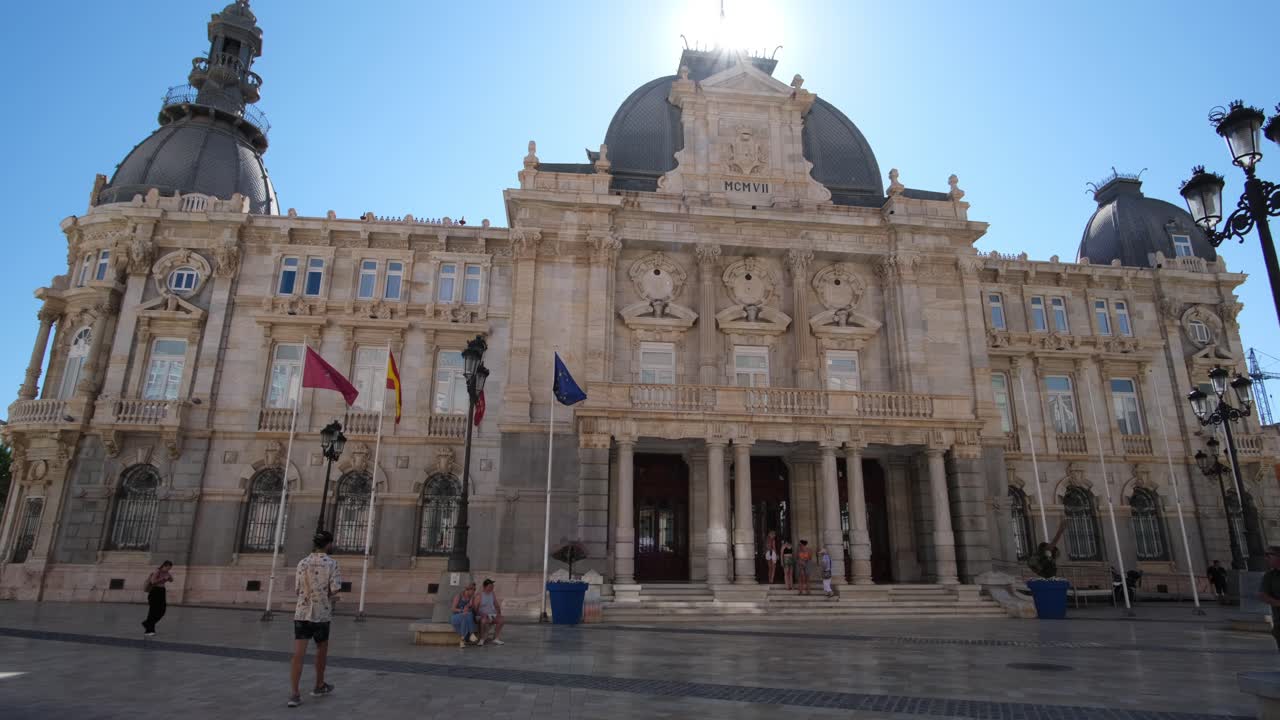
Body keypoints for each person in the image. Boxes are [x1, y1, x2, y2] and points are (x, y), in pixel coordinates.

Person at [288, 530, 341, 708]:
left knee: (298, 654)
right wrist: (332, 597)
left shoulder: (302, 563)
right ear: (328, 544)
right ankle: (319, 684)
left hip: (302, 613)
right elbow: (334, 589)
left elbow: (297, 590)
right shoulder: (332, 563)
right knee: (321, 649)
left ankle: (294, 694)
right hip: (321, 614)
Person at [141, 560, 174, 636]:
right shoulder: (157, 571)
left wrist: (169, 577)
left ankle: (147, 623)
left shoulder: (166, 572)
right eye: (168, 568)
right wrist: (162, 579)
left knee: (162, 610)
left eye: (170, 568)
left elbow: (171, 580)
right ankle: (149, 630)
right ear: (164, 566)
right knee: (153, 611)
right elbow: (152, 582)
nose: (169, 569)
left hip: (162, 591)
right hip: (155, 591)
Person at [1258, 546, 1280, 651]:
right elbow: (1263, 595)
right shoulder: (1269, 576)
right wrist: (1277, 602)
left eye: (1268, 555)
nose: (1266, 558)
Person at [474, 578, 506, 646]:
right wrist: (482, 614)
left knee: (502, 620)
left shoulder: (492, 594)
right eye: (490, 586)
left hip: (492, 614)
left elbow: (496, 604)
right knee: (484, 621)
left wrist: (499, 613)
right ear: (485, 587)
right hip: (481, 615)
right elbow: (475, 609)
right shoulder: (479, 595)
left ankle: (496, 638)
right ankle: (482, 639)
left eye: (492, 586)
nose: (492, 587)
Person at [450, 582, 479, 648]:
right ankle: (471, 634)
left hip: (465, 617)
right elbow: (453, 609)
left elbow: (471, 608)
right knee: (466, 615)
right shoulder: (459, 596)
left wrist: (469, 606)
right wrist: (462, 610)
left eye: (475, 590)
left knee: (466, 616)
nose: (474, 592)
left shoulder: (471, 597)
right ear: (468, 590)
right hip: (456, 617)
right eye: (473, 590)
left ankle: (462, 640)